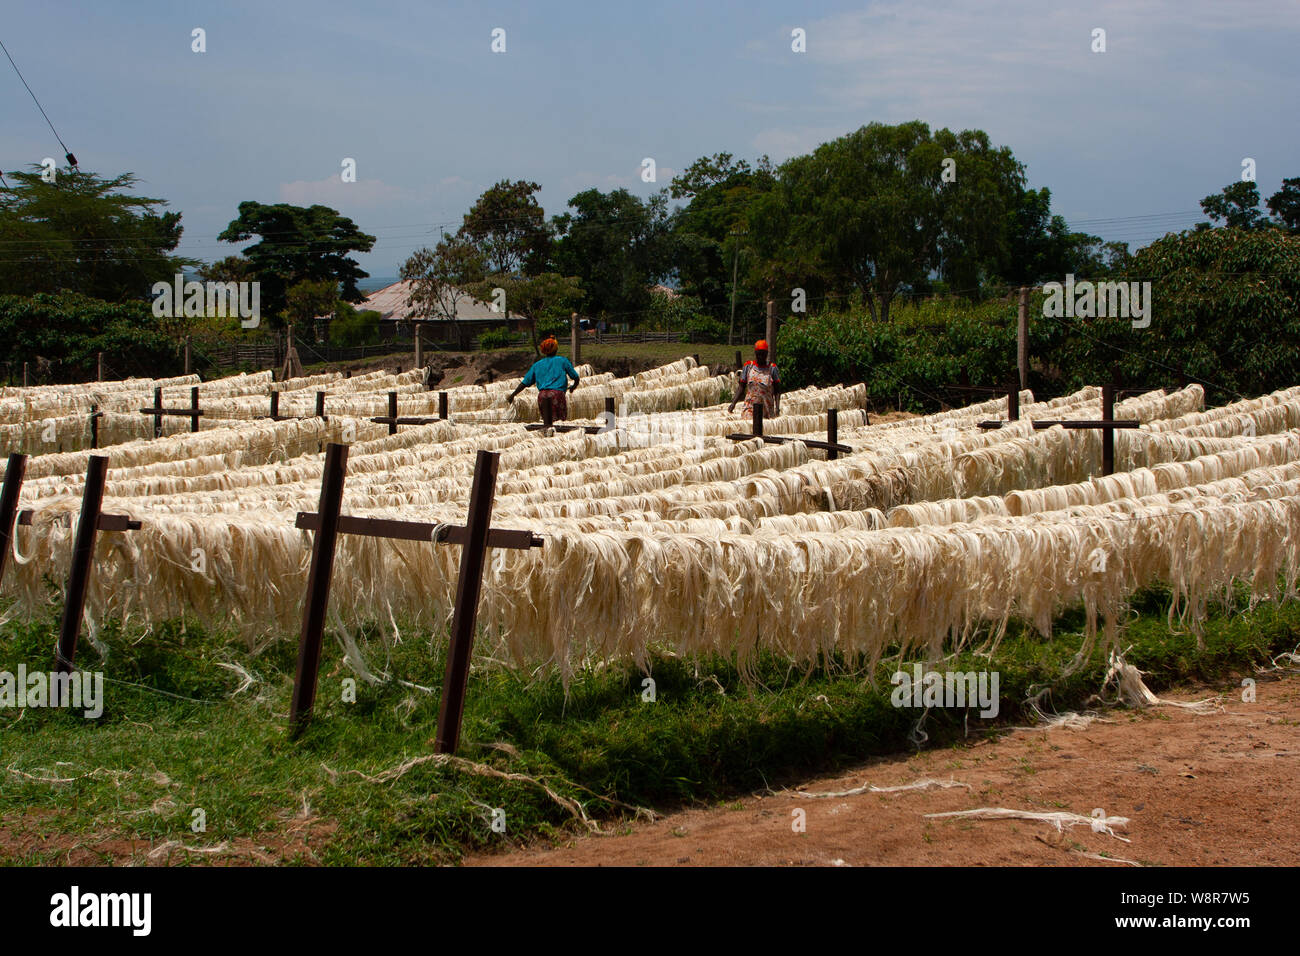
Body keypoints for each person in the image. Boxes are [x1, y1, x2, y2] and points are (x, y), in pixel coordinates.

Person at [507, 337, 579, 420]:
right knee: (559, 422)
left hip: (542, 395)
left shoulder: (537, 365)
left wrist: (513, 395)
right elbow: (575, 377)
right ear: (556, 349)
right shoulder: (562, 361)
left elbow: (525, 383)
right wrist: (573, 387)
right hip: (557, 395)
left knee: (546, 422)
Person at [728, 339, 780, 419]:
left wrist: (777, 408)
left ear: (766, 354)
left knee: (765, 428)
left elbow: (777, 391)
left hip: (766, 407)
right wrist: (733, 403)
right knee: (749, 427)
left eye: (763, 354)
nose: (761, 357)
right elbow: (741, 387)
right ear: (755, 353)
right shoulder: (748, 366)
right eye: (759, 354)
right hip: (750, 406)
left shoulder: (772, 368)